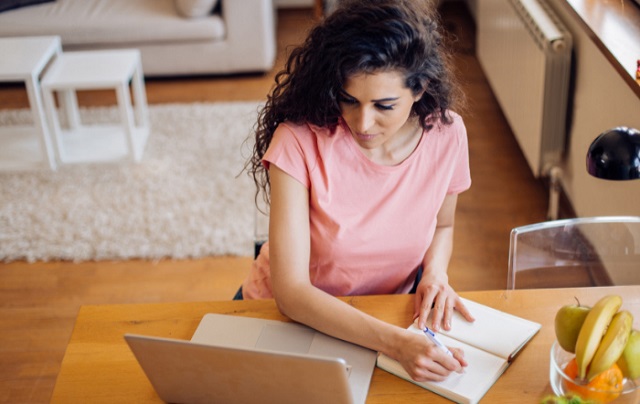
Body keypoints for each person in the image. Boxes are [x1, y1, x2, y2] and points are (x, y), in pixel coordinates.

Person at [238, 0, 475, 382]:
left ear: (420, 89)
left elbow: (443, 227)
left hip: (384, 314)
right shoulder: (298, 140)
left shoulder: (447, 134)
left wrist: (435, 274)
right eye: (349, 99)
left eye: (384, 105)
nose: (362, 122)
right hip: (289, 317)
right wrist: (395, 343)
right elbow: (291, 293)